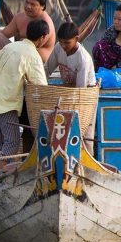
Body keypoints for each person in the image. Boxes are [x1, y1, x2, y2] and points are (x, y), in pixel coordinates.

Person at [0, 20, 49, 175]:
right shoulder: (33, 55)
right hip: (6, 104)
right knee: (12, 142)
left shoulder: (10, 46)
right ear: (43, 37)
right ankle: (3, 175)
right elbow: (41, 87)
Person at [46, 22, 97, 154]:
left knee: (85, 134)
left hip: (86, 94)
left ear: (77, 39)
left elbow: (80, 90)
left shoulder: (83, 59)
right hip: (68, 93)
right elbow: (47, 70)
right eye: (61, 42)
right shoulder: (58, 48)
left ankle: (85, 167)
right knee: (62, 133)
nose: (63, 46)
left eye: (67, 43)